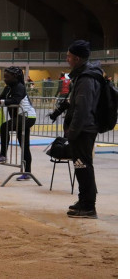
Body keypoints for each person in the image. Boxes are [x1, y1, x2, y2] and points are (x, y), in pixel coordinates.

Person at [63, 40, 102, 219]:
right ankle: (84, 199)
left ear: (77, 58)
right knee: (81, 166)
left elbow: (82, 109)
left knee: (83, 166)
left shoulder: (86, 79)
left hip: (83, 130)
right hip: (83, 129)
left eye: (69, 56)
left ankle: (88, 206)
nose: (67, 59)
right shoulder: (82, 76)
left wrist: (72, 132)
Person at [0, 66, 36, 181]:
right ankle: (27, 172)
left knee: (5, 127)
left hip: (28, 117)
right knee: (24, 145)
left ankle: (3, 155)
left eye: (7, 77)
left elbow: (15, 101)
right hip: (19, 117)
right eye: (4, 77)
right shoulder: (8, 88)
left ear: (15, 77)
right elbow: (1, 98)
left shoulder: (20, 87)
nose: (5, 79)